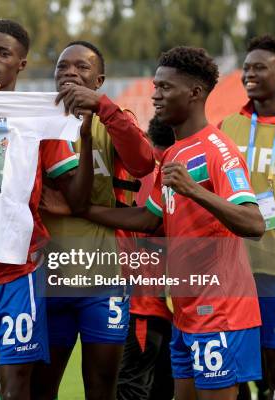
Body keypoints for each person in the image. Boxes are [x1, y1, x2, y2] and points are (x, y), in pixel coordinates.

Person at [83, 46, 265, 400]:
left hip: (221, 309)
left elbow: (253, 222)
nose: (155, 95)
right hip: (185, 309)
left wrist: (194, 190)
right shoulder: (175, 152)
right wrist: (81, 210)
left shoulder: (219, 150)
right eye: (155, 86)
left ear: (195, 93)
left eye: (165, 87)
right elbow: (148, 219)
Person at [0, 19, 94, 400]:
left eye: (3, 53)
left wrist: (87, 134)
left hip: (17, 271)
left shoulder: (40, 115)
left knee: (15, 386)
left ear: (22, 65)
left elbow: (76, 196)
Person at [32, 40, 155, 400]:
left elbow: (144, 163)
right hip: (49, 278)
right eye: (62, 66)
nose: (70, 72)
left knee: (102, 388)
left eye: (81, 67)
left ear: (99, 80)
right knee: (41, 388)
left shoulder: (114, 120)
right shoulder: (38, 123)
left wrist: (104, 110)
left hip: (105, 278)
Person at [219, 35, 275, 400]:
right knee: (231, 360)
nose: (249, 74)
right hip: (234, 268)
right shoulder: (228, 126)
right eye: (246, 67)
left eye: (260, 67)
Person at [116, 116, 175, 400]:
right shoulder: (184, 171)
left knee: (131, 384)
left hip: (144, 303)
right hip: (178, 304)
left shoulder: (144, 176)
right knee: (165, 383)